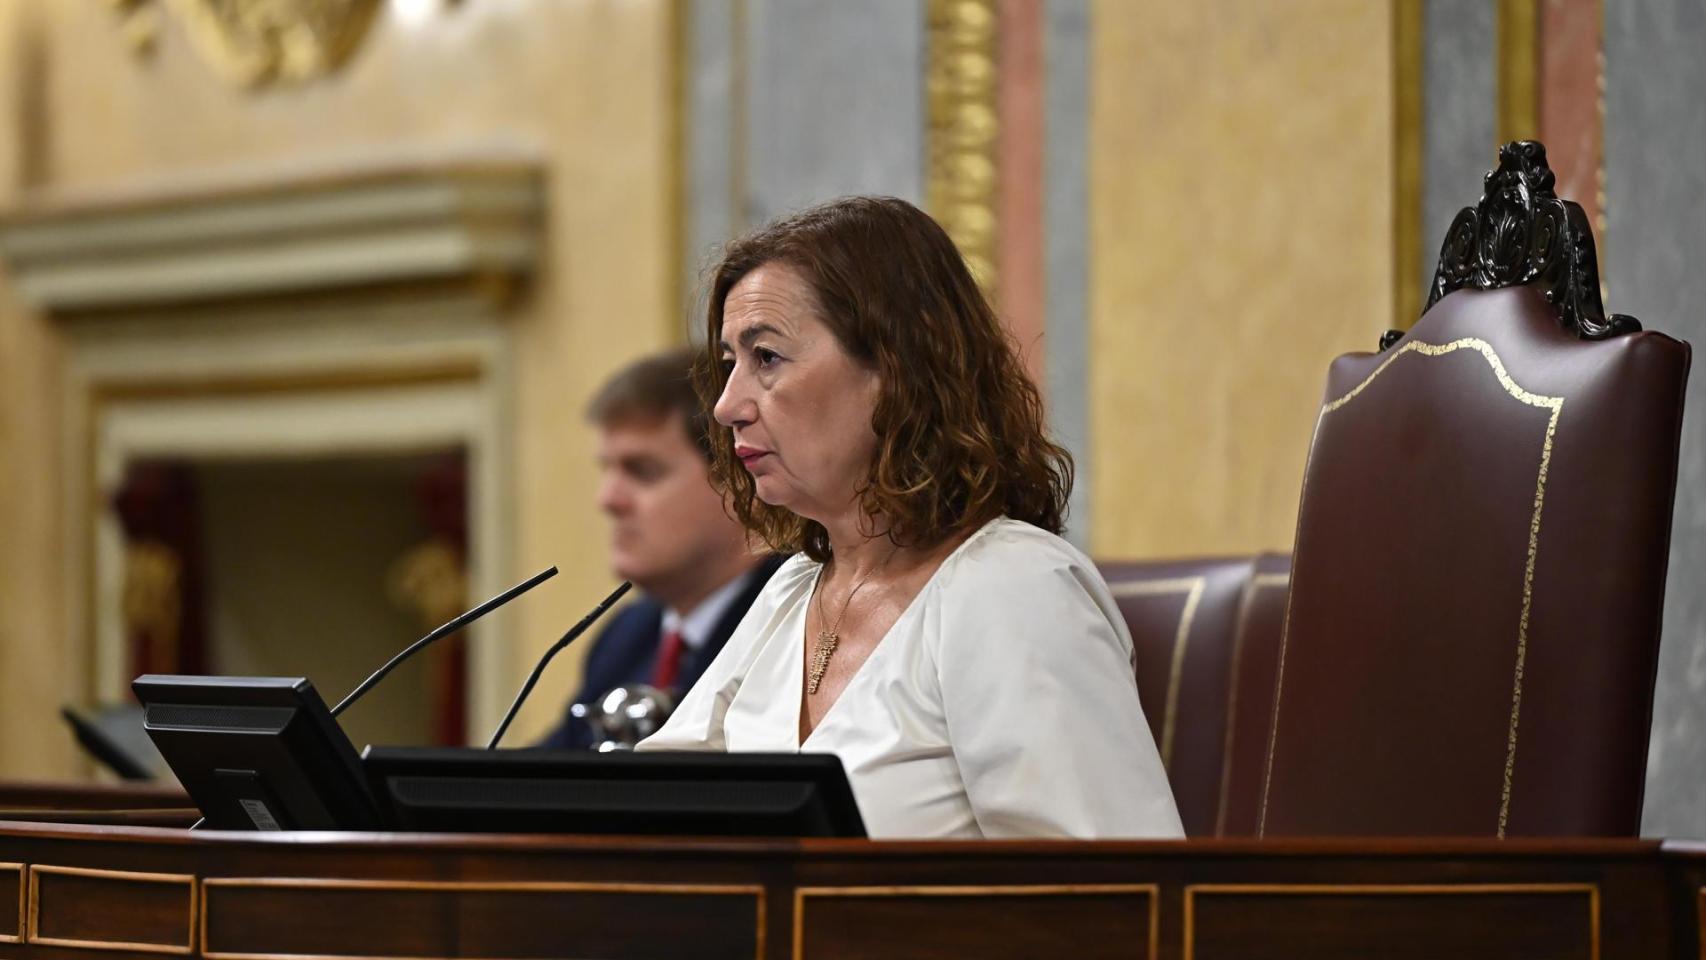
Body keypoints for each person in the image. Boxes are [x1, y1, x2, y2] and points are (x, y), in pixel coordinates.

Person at [638, 197, 1183, 839]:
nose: (726, 407)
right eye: (729, 365)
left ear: (895, 369)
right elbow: (657, 807)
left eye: (767, 358)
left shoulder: (1011, 588)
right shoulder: (792, 590)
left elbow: (1118, 898)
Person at [540, 348, 783, 749]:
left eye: (642, 472)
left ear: (740, 482)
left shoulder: (790, 623)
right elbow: (543, 776)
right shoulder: (627, 635)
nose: (609, 499)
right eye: (608, 470)